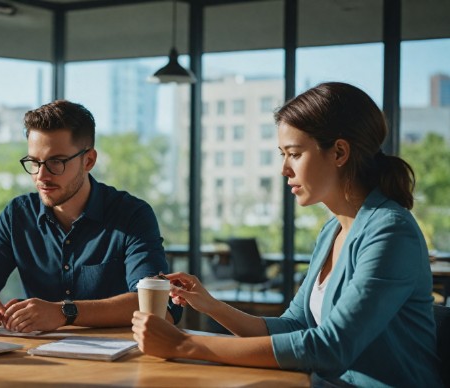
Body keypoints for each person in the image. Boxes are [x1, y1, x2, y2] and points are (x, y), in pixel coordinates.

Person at [132, 82, 442, 387]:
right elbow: (295, 326)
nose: (284, 169)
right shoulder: (332, 230)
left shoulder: (390, 231)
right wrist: (211, 305)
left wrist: (186, 344)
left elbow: (330, 348)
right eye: (282, 154)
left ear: (339, 152)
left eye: (294, 154)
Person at [0, 99, 180, 333]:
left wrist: (64, 312)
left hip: (119, 361)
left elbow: (161, 306)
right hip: (39, 360)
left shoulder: (132, 216)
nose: (41, 176)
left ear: (88, 160)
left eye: (55, 162)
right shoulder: (17, 215)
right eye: (34, 162)